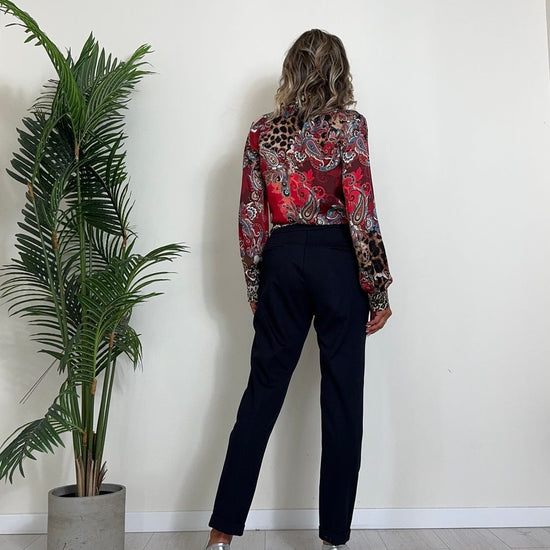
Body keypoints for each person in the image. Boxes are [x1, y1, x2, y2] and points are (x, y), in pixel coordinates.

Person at [204, 28, 393, 550]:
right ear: (339, 71)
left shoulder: (261, 131)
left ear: (293, 69)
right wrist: (377, 288)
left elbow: (250, 216)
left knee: (261, 395)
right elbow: (361, 207)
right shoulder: (350, 126)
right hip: (337, 261)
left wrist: (255, 284)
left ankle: (220, 536)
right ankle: (333, 540)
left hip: (282, 259)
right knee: (343, 401)